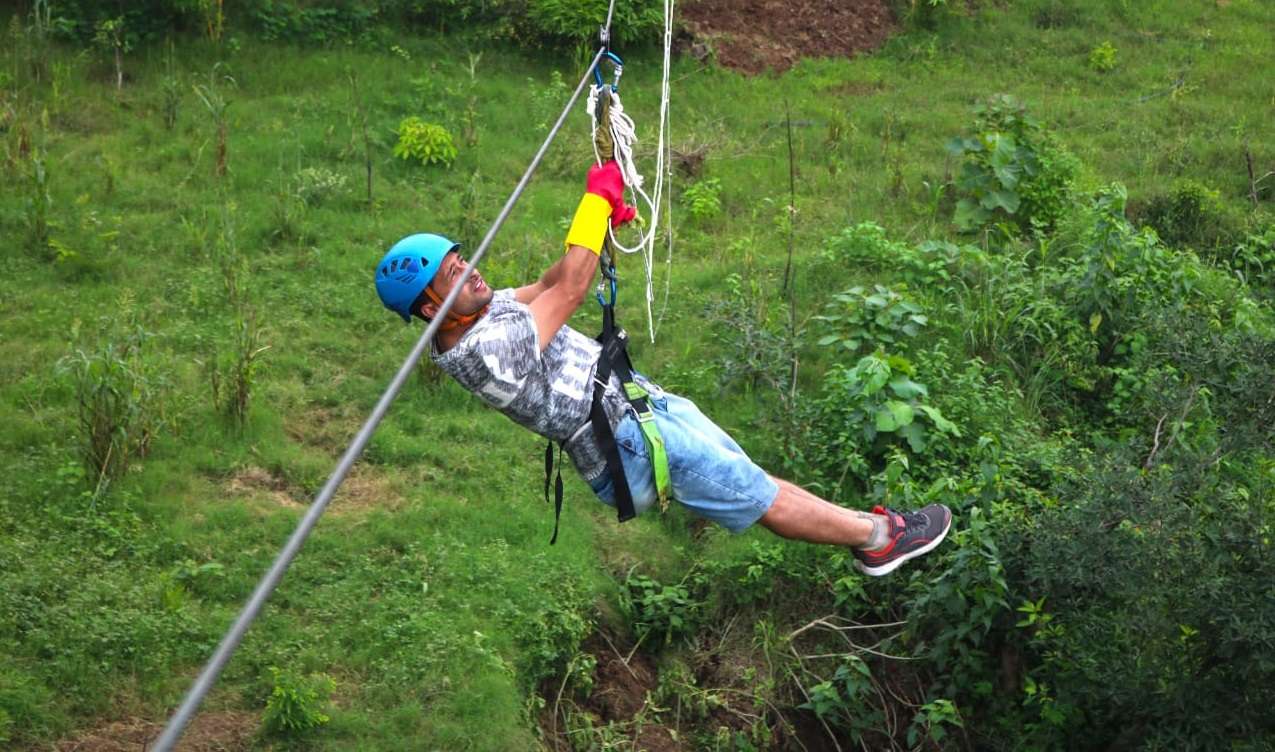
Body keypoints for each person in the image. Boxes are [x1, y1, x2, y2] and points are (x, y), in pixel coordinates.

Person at [374, 160, 951, 576]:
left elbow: (551, 280)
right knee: (756, 494)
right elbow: (572, 291)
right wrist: (593, 200)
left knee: (752, 477)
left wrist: (599, 226)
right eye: (453, 274)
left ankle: (874, 531)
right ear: (431, 310)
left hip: (637, 405)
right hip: (624, 447)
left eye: (461, 258)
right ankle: (880, 539)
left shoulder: (480, 309)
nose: (471, 271)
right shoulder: (482, 353)